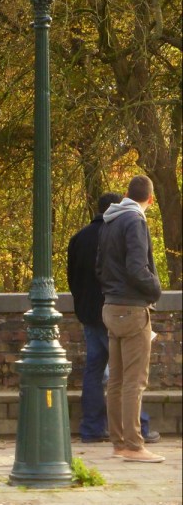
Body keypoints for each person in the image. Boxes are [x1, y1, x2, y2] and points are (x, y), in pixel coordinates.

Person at [67, 192, 160, 444]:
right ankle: (136, 427)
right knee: (128, 374)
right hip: (118, 308)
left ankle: (92, 427)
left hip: (89, 313)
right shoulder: (118, 231)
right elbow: (131, 268)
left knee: (95, 370)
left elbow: (72, 278)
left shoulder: (78, 238)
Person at [96, 175, 164, 463]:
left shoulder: (109, 220)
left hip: (110, 306)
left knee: (116, 380)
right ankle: (134, 445)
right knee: (134, 381)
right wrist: (156, 290)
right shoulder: (135, 221)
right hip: (133, 308)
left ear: (126, 193)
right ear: (150, 200)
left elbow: (99, 266)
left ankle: (118, 442)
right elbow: (137, 268)